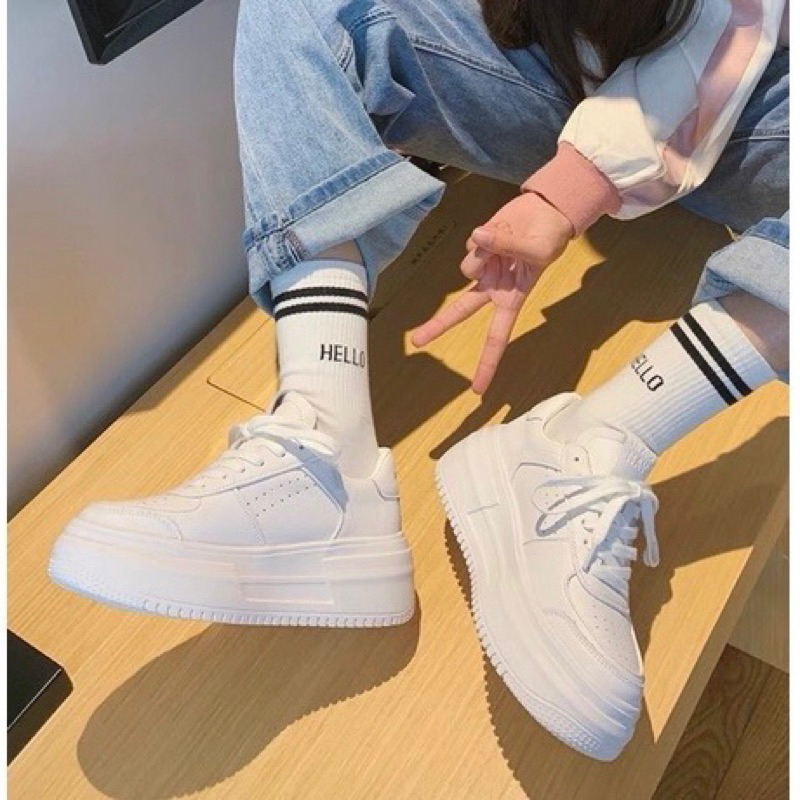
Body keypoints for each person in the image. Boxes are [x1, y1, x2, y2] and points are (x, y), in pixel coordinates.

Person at [49, 0, 788, 760]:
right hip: (550, 64)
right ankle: (324, 443)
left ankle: (589, 444)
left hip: (748, 106)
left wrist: (566, 192)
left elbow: (733, 22)